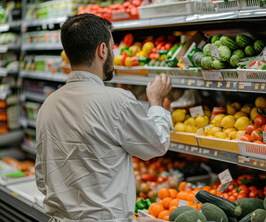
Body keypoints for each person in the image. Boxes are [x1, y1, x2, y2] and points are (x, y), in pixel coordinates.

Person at [35, 13, 172, 222]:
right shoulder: (117, 102)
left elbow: (42, 178)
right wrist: (156, 101)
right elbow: (157, 143)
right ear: (102, 50)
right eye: (112, 48)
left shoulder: (48, 105)